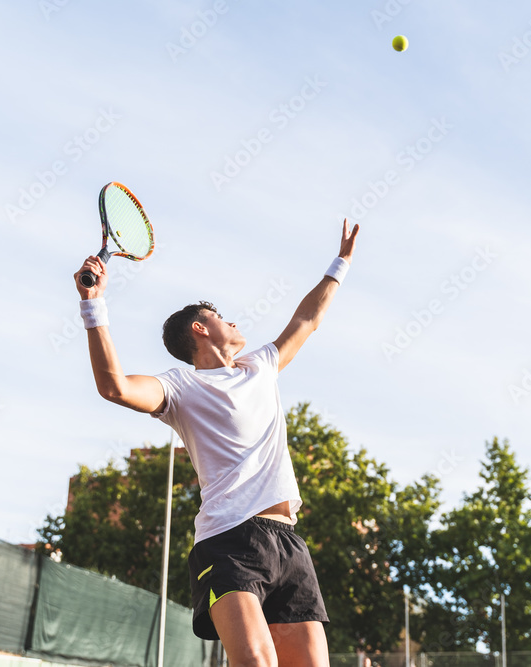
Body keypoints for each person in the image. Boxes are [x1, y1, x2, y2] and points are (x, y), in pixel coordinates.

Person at [74, 219, 360, 667]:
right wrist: (94, 306)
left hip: (288, 540)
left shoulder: (260, 365)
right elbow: (114, 386)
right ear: (199, 330)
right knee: (256, 663)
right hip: (229, 540)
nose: (232, 320)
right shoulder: (181, 387)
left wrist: (340, 263)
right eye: (219, 316)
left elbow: (308, 318)